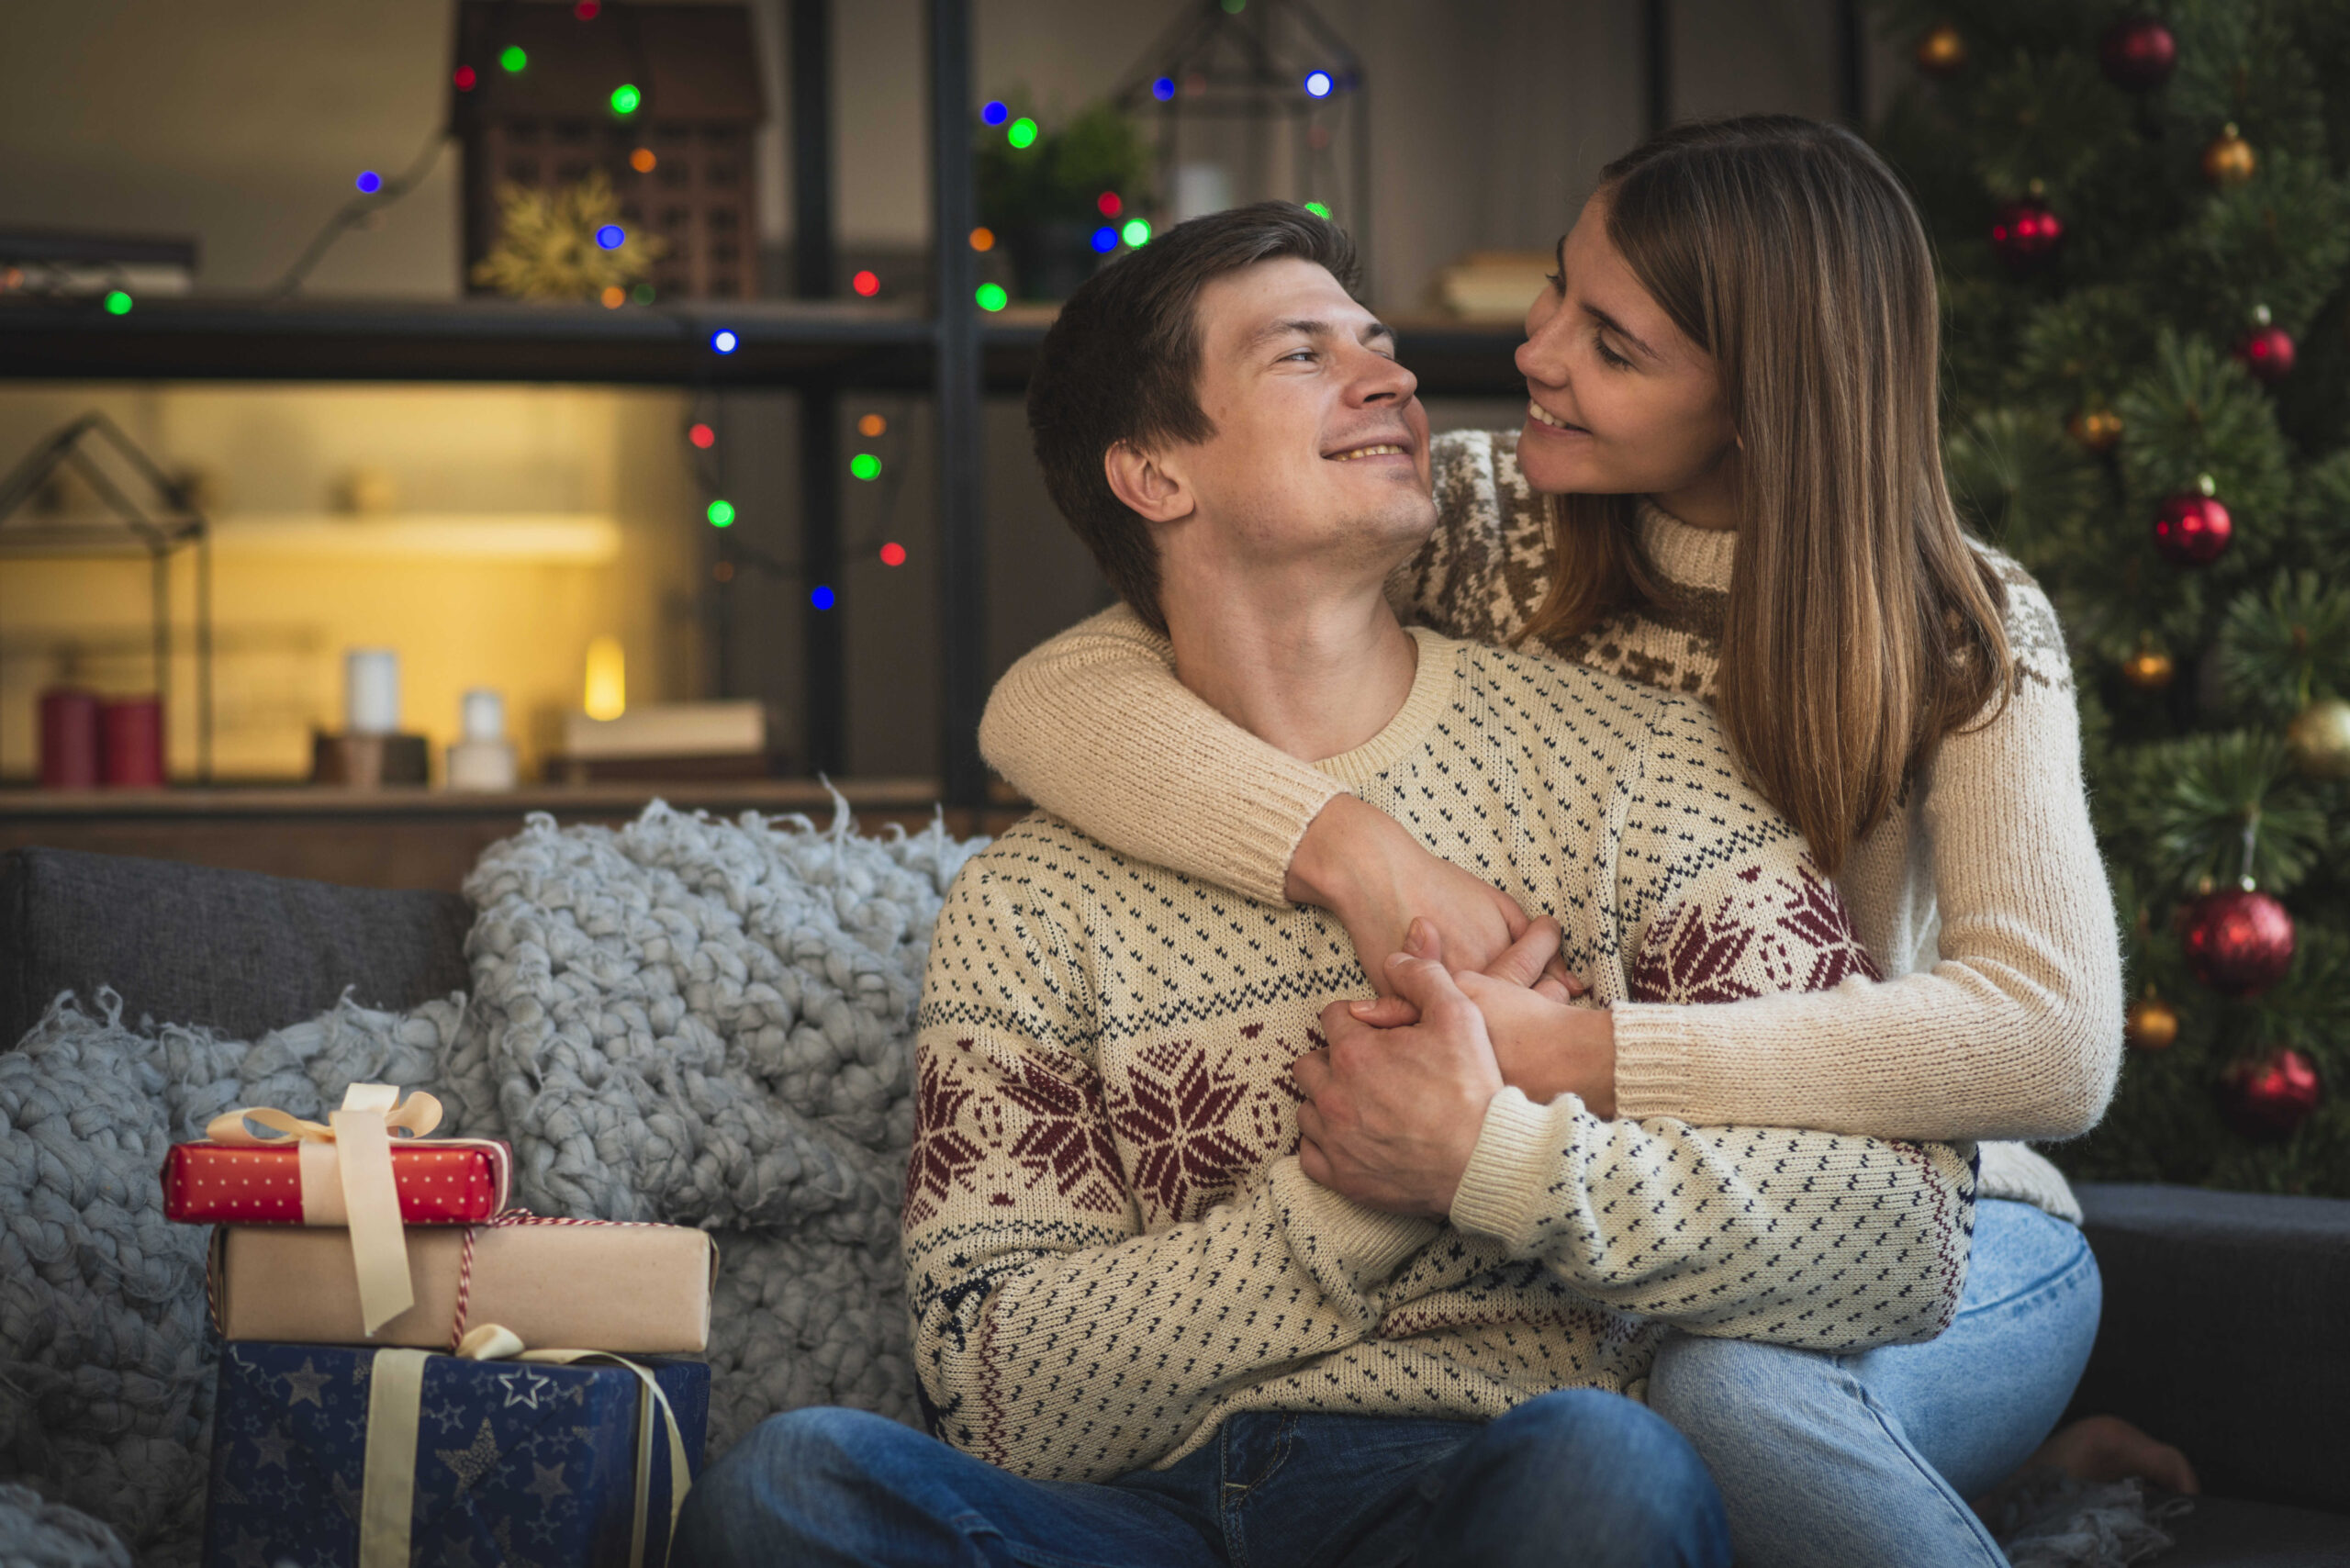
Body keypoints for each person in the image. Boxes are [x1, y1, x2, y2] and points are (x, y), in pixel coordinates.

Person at [677, 201, 1985, 1568]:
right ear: (1153, 474)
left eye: (1380, 345)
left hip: (1495, 1484)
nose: (1396, 379)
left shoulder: (1638, 770)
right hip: (1148, 1522)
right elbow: (998, 1394)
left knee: (1604, 1468)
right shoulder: (1028, 902)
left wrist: (1494, 1161)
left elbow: (1898, 1236)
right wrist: (1345, 1206)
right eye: (1303, 355)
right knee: (791, 1489)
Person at [978, 117, 2194, 1567]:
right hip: (1632, 1222)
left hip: (1956, 1220)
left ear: (1760, 402)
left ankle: (1927, 1455)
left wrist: (1568, 1055)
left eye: (1614, 347)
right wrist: (1363, 855)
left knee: (1728, 1401)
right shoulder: (1499, 516)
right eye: (1560, 289)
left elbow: (2049, 1043)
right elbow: (1057, 694)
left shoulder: (1957, 631)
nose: (1538, 352)